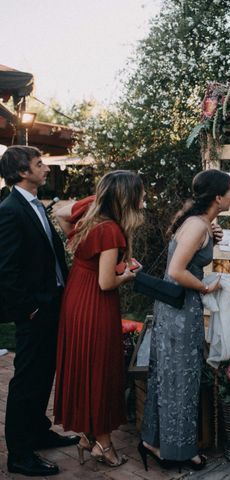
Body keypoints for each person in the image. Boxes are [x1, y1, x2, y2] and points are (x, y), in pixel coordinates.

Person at [139, 169, 230, 471]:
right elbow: (176, 271)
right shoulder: (196, 225)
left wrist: (212, 238)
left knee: (169, 375)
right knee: (182, 377)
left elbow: (190, 259)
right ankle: (177, 451)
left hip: (178, 308)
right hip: (180, 310)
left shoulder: (200, 223)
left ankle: (153, 441)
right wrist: (206, 287)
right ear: (219, 197)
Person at [54, 170, 145, 468]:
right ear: (127, 197)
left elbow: (61, 214)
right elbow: (107, 282)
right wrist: (128, 273)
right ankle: (104, 445)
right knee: (100, 370)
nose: (144, 198)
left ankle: (87, 437)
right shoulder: (110, 230)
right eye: (140, 193)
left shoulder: (91, 215)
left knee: (84, 365)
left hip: (76, 293)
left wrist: (82, 246)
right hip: (95, 301)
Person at [0, 146, 78, 477]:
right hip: (34, 310)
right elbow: (6, 269)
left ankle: (38, 430)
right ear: (22, 173)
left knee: (45, 371)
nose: (45, 168)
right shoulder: (9, 210)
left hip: (51, 302)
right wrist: (28, 309)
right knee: (27, 379)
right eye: (39, 164)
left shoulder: (33, 204)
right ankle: (19, 454)